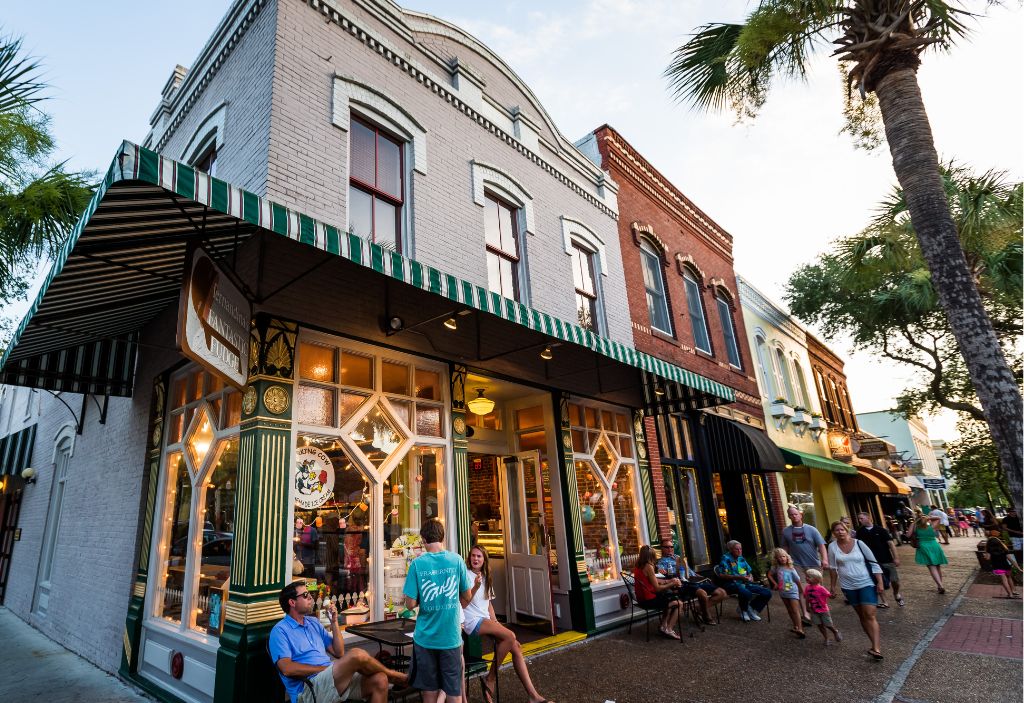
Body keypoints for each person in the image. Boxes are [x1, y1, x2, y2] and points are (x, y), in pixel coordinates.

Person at [269, 581, 406, 703]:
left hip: (332, 679)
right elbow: (287, 669)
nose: (311, 597)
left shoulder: (313, 623)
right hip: (308, 690)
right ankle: (394, 676)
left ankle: (389, 676)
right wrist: (325, 669)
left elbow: (339, 652)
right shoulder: (280, 631)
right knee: (356, 655)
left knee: (380, 680)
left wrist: (334, 622)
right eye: (305, 595)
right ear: (292, 602)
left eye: (310, 593)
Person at [463, 545, 552, 703]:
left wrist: (496, 623)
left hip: (486, 619)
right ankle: (490, 679)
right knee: (510, 636)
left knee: (516, 647)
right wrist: (475, 587)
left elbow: (488, 604)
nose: (475, 559)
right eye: (473, 556)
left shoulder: (486, 576)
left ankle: (534, 696)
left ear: (484, 560)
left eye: (479, 556)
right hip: (472, 620)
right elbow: (464, 602)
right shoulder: (466, 575)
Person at [403, 519, 474, 703]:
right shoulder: (457, 560)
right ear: (442, 537)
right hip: (450, 637)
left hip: (425, 638)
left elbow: (409, 604)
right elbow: (466, 596)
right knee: (454, 692)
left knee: (430, 693)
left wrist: (422, 599)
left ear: (424, 539)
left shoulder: (417, 565)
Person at [827, 520, 885, 661]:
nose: (839, 532)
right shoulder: (832, 547)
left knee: (869, 614)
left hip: (866, 582)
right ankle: (873, 644)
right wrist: (833, 586)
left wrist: (880, 582)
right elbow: (833, 569)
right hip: (848, 586)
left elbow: (873, 563)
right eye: (836, 530)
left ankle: (877, 648)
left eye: (842, 529)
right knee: (862, 616)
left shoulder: (859, 543)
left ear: (847, 530)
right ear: (833, 533)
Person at [656, 537, 727, 625]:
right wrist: (661, 571)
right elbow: (664, 576)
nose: (670, 549)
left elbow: (690, 571)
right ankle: (706, 615)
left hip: (695, 580)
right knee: (703, 594)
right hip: (685, 584)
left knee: (722, 593)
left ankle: (699, 609)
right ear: (662, 549)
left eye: (672, 547)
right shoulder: (661, 562)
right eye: (667, 547)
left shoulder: (678, 557)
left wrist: (701, 577)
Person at [780, 505, 828, 623]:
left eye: (796, 514)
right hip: (796, 564)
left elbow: (821, 545)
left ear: (801, 515)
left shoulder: (812, 529)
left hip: (814, 564)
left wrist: (825, 559)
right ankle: (806, 614)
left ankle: (819, 610)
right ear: (789, 516)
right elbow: (785, 547)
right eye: (791, 514)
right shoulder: (786, 531)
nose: (794, 516)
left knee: (816, 590)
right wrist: (784, 562)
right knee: (801, 589)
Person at [634, 544, 684, 639]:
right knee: (678, 603)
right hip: (648, 601)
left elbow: (652, 580)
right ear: (651, 556)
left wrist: (668, 581)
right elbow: (657, 588)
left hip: (640, 598)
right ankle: (669, 629)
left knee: (669, 598)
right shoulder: (649, 566)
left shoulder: (638, 565)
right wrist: (672, 584)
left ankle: (663, 626)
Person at [716, 540, 772, 622]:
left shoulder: (741, 558)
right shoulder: (726, 559)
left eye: (740, 549)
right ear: (730, 550)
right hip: (731, 584)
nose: (739, 551)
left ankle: (752, 610)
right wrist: (739, 578)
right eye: (736, 549)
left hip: (745, 583)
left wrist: (751, 576)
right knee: (746, 593)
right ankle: (743, 610)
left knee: (767, 593)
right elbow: (721, 575)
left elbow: (749, 571)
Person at [856, 512, 904, 607]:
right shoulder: (860, 532)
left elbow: (891, 544)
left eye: (861, 518)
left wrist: (896, 557)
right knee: (878, 581)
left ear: (868, 518)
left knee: (895, 580)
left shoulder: (881, 530)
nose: (859, 520)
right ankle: (884, 601)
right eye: (859, 519)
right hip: (871, 561)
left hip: (886, 559)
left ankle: (896, 593)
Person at [766, 548, 805, 638]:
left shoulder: (791, 568)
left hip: (793, 592)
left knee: (795, 610)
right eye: (779, 557)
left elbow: (797, 580)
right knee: (789, 610)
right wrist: (775, 583)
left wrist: (801, 590)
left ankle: (800, 629)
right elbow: (769, 574)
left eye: (783, 556)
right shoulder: (776, 567)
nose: (782, 558)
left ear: (787, 557)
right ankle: (795, 626)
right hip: (783, 592)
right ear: (776, 559)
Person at [910, 513, 949, 593]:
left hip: (923, 546)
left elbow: (908, 535)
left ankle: (940, 585)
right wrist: (927, 517)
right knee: (937, 566)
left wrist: (915, 522)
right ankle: (940, 585)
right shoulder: (932, 527)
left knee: (931, 567)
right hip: (935, 546)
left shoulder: (915, 527)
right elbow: (938, 517)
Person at [803, 568, 842, 646]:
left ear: (816, 579)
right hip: (813, 610)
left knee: (828, 624)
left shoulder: (821, 588)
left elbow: (829, 595)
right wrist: (807, 607)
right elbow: (807, 598)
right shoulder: (807, 588)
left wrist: (833, 596)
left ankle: (835, 631)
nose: (806, 578)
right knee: (819, 625)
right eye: (806, 576)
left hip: (823, 610)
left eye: (809, 577)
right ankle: (826, 638)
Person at [985, 528, 1020, 599]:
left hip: (997, 566)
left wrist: (985, 556)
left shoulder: (989, 549)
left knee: (1004, 579)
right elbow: (1011, 559)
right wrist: (1018, 567)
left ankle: (1010, 594)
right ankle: (1013, 591)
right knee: (1009, 577)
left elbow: (987, 558)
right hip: (1006, 565)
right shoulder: (1004, 549)